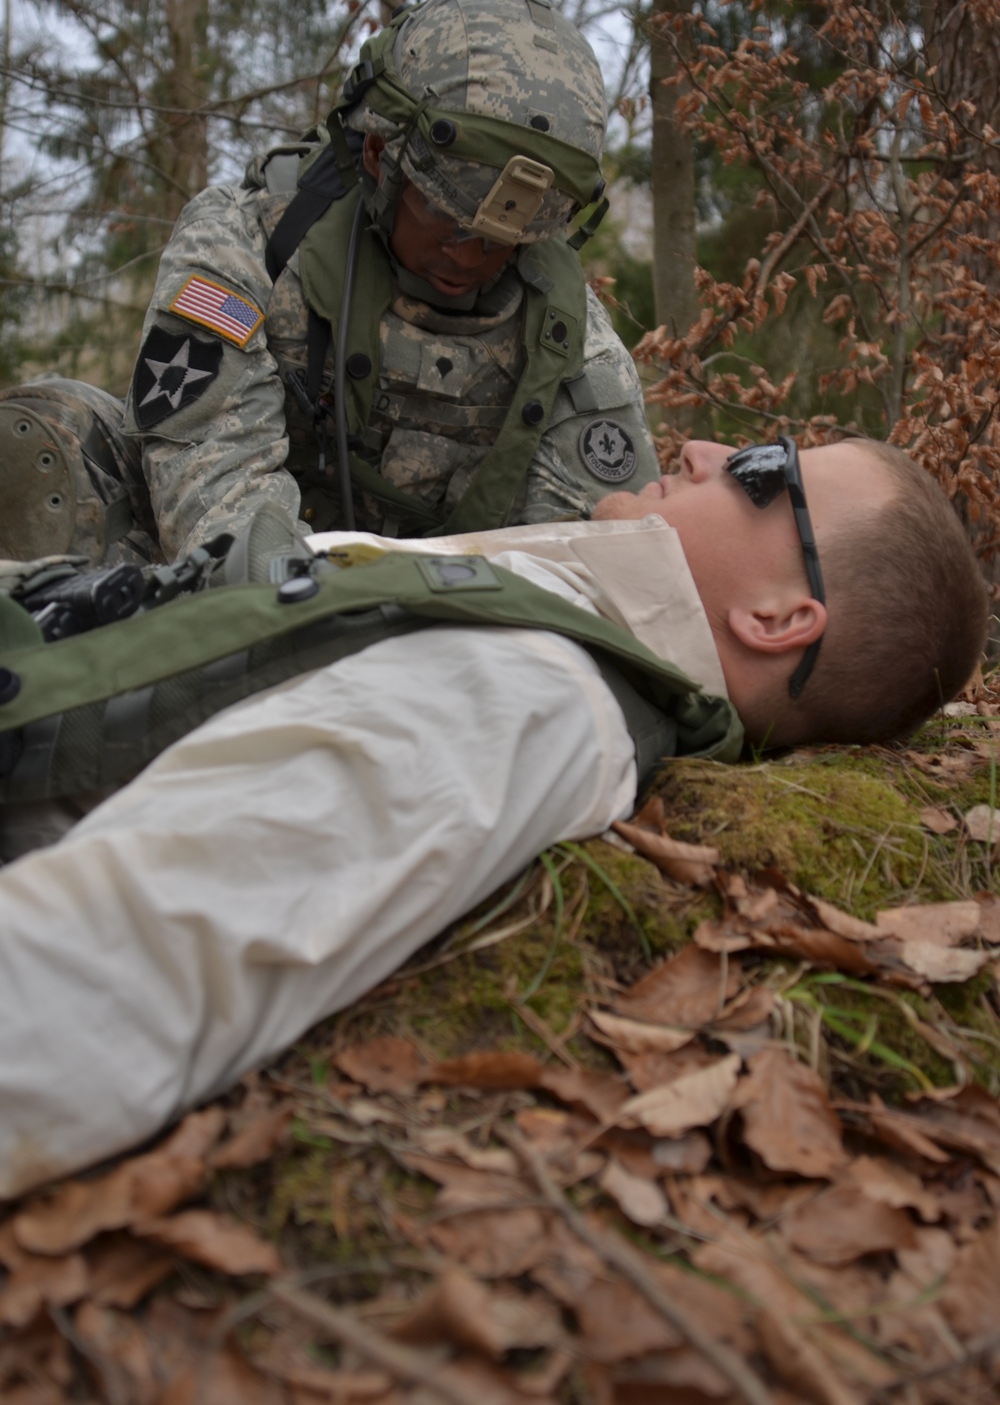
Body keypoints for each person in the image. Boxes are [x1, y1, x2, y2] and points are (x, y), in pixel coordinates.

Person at [0, 437, 986, 1196]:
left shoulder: (526, 696)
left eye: (763, 471)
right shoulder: (548, 615)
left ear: (775, 618)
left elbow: (113, 976)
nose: (705, 451)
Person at [0, 0, 659, 575]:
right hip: (246, 583)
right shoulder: (255, 241)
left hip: (453, 620)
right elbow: (215, 485)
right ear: (378, 155)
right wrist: (308, 618)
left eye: (503, 240)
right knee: (44, 438)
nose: (469, 255)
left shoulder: (567, 338)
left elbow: (597, 559)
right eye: (445, 214)